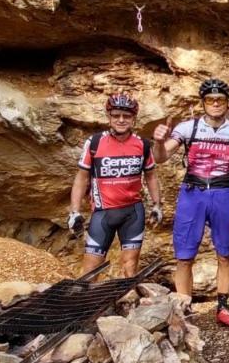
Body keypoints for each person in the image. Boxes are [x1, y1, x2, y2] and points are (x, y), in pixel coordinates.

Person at [153, 78, 229, 328]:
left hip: (223, 193)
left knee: (225, 253)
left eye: (220, 100)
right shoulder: (188, 128)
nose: (216, 104)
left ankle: (223, 307)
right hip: (193, 193)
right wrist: (159, 142)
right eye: (210, 100)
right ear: (203, 103)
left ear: (228, 104)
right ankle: (184, 308)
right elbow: (160, 158)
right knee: (184, 256)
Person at [68, 92, 161, 277]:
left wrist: (157, 205)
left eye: (126, 116)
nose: (121, 120)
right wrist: (74, 212)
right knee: (90, 271)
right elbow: (81, 178)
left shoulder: (142, 144)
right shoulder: (94, 142)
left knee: (130, 268)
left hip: (132, 213)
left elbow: (151, 176)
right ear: (108, 117)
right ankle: (88, 305)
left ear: (134, 119)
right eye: (116, 115)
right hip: (103, 213)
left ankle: (126, 304)